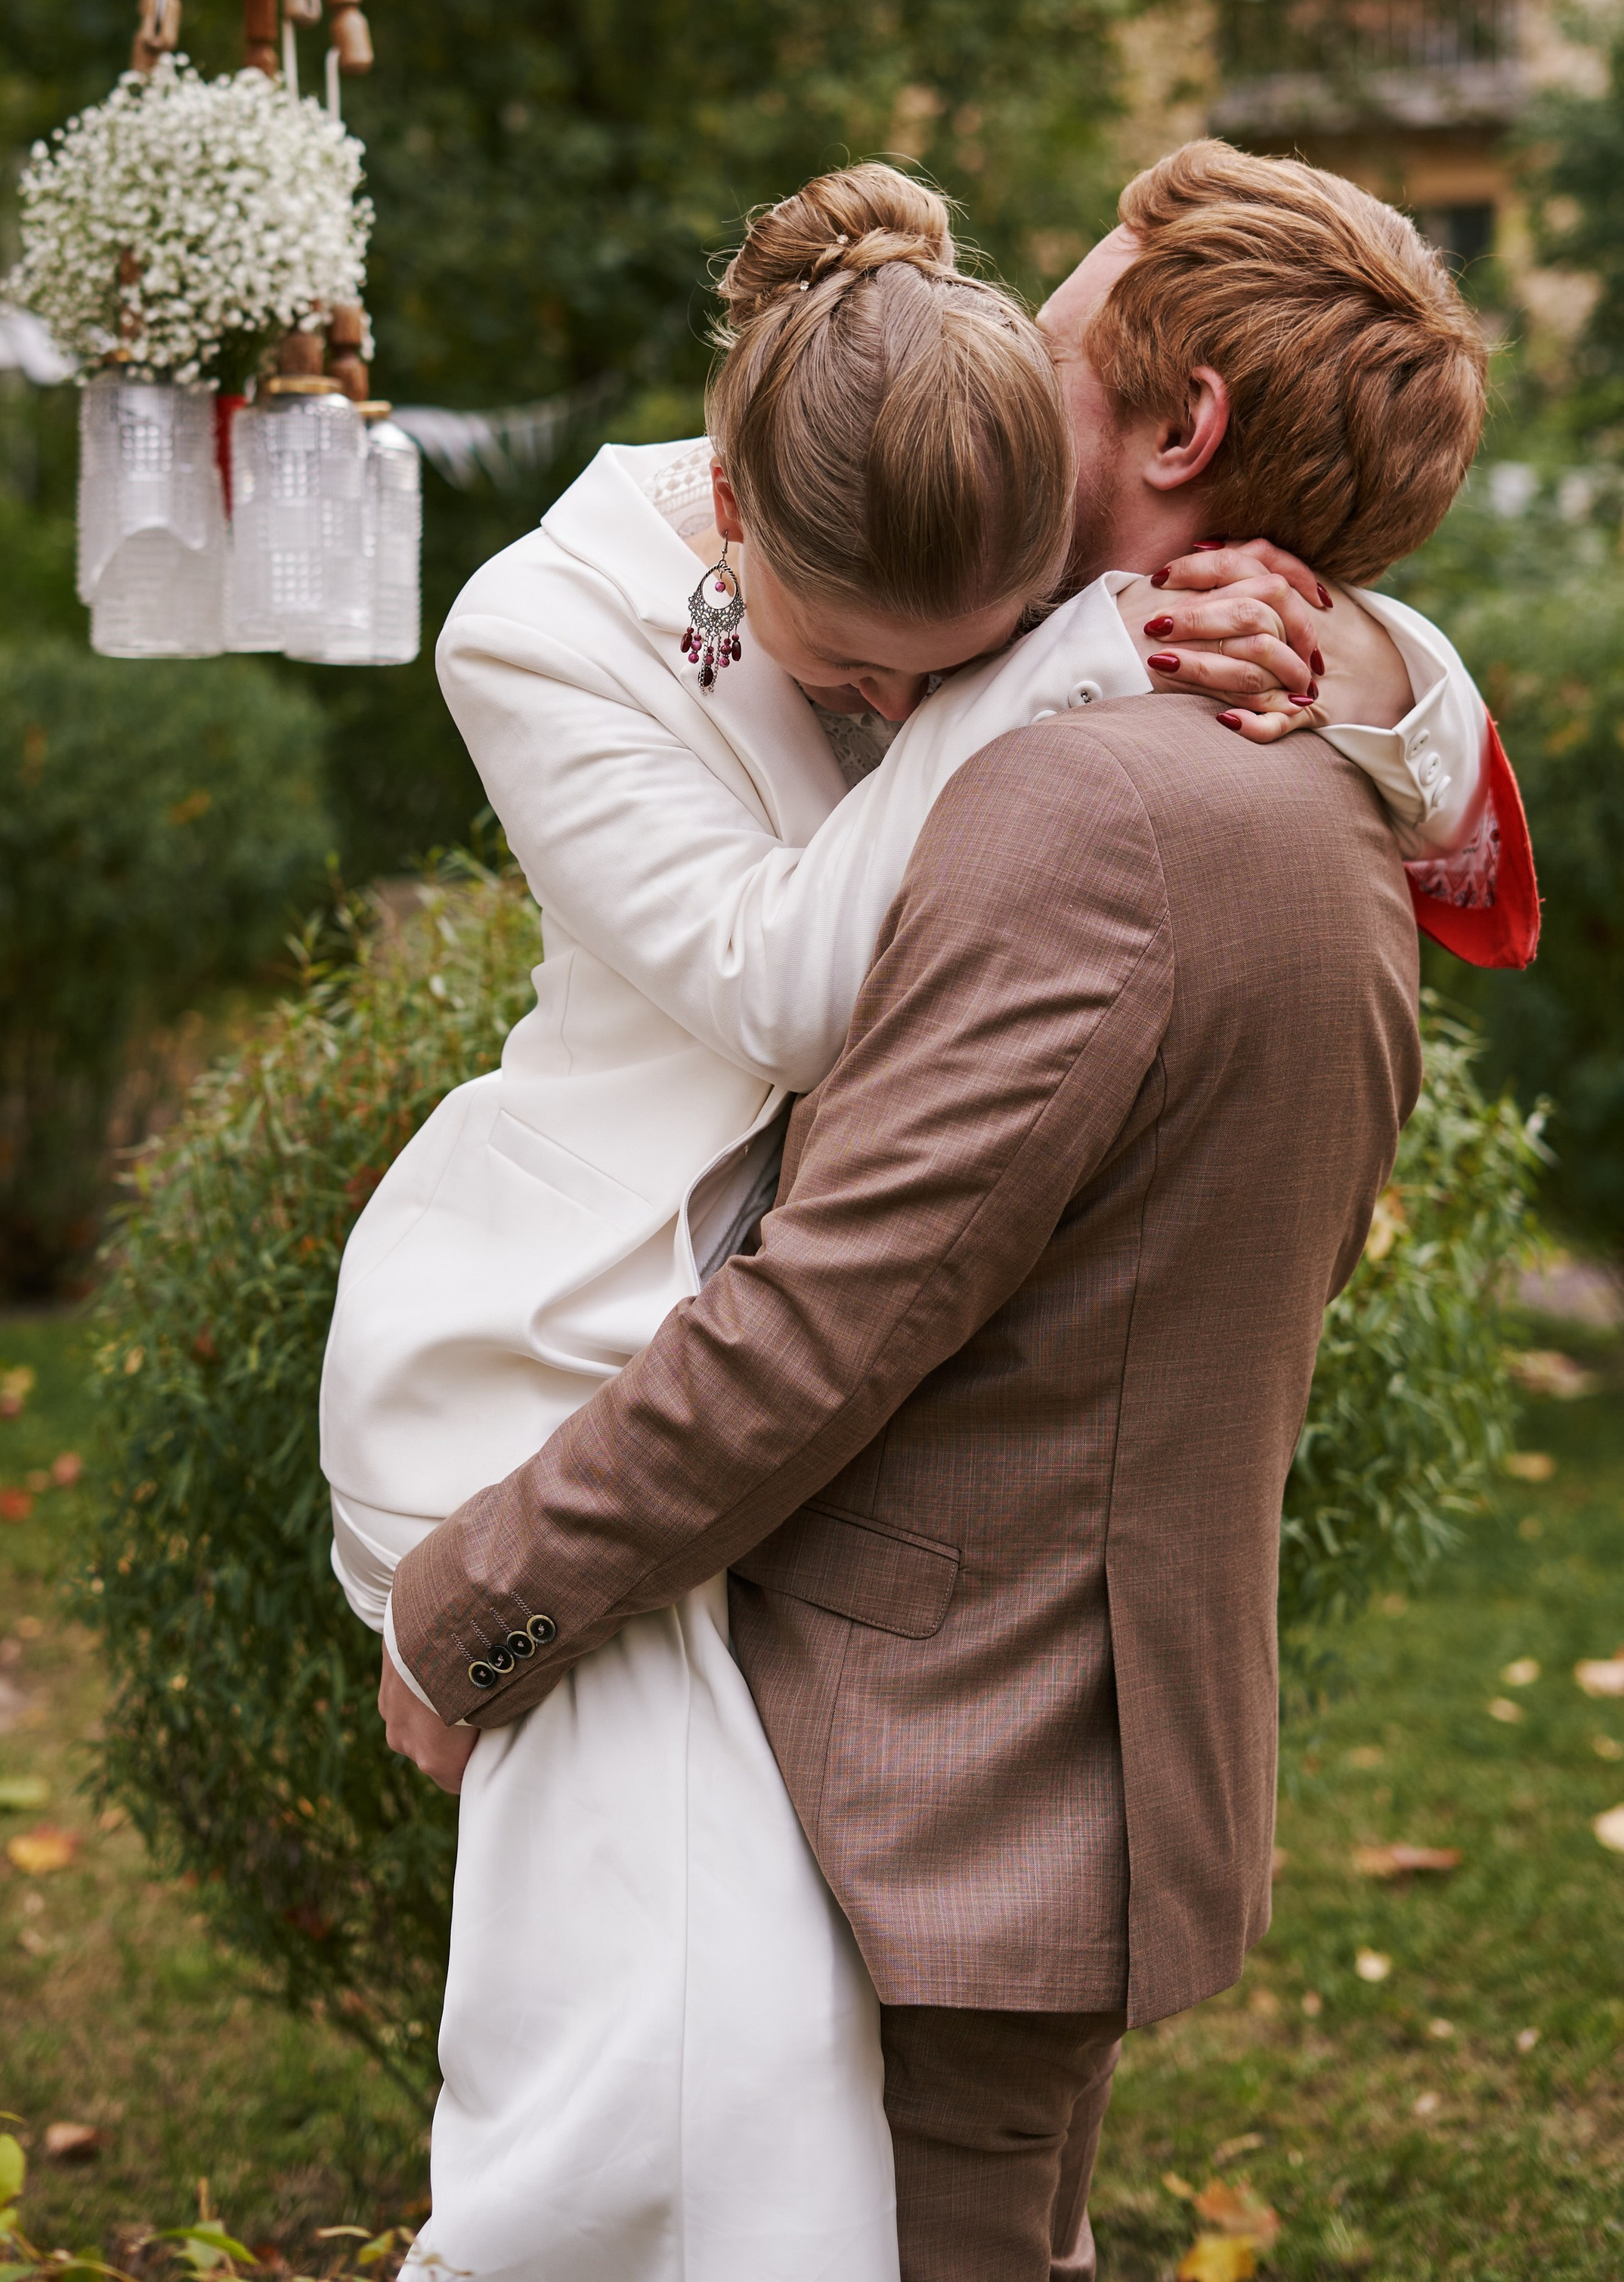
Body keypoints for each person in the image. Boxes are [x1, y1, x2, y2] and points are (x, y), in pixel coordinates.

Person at [323, 148, 1511, 2282]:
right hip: (596, 1386)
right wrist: (1065, 664)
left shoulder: (1152, 746)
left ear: (1182, 435)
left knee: (674, 2198)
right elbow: (798, 1010)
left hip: (922, 1704)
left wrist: (1380, 675)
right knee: (646, 2168)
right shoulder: (1010, 609)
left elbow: (845, 1301)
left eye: (1049, 345)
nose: (992, 359)